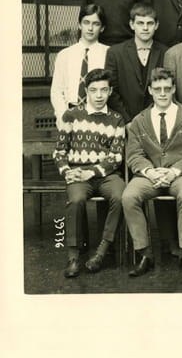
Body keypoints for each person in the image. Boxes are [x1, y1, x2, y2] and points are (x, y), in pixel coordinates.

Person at [122, 67, 182, 277]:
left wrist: (174, 171)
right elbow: (133, 155)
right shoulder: (139, 121)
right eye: (157, 89)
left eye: (167, 89)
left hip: (181, 174)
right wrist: (150, 172)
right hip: (149, 175)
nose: (162, 93)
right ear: (150, 90)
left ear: (174, 89)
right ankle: (145, 254)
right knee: (129, 196)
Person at [53, 69, 126, 278]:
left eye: (103, 90)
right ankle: (73, 257)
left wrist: (92, 172)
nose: (99, 95)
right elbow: (59, 151)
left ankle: (101, 252)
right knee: (76, 200)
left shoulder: (117, 119)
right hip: (78, 173)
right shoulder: (71, 115)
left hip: (106, 174)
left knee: (121, 195)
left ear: (110, 91)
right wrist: (67, 171)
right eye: (94, 90)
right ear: (86, 91)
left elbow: (116, 157)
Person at [105, 3, 167, 123]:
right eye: (140, 23)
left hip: (156, 121)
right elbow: (112, 91)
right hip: (124, 122)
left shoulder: (166, 52)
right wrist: (127, 122)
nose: (145, 28)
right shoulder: (115, 53)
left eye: (150, 23)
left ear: (156, 25)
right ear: (132, 24)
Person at [50, 4, 109, 130]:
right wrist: (63, 117)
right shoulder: (65, 55)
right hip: (70, 117)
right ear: (79, 25)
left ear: (102, 28)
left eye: (96, 24)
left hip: (99, 118)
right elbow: (57, 91)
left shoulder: (109, 54)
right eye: (86, 22)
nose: (90, 28)